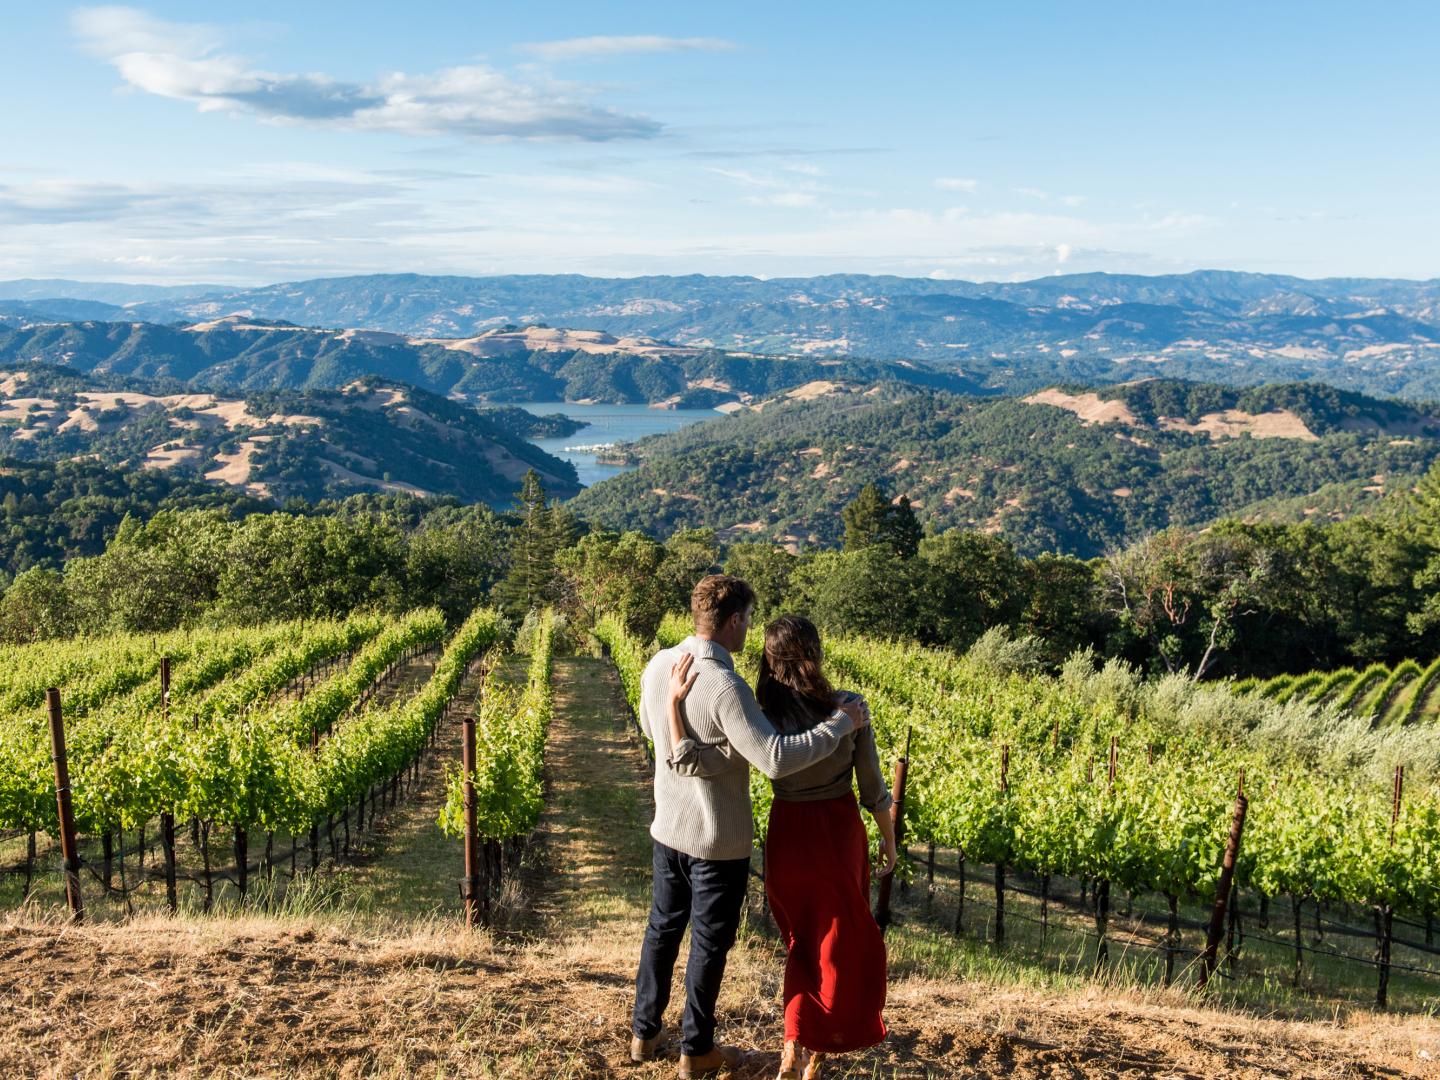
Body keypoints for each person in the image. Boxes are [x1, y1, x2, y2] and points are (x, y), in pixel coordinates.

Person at [630, 575, 869, 1080]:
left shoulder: (657, 666)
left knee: (662, 929)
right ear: (734, 621)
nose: (750, 633)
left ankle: (644, 1031)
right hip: (716, 838)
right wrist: (840, 725)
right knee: (709, 945)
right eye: (748, 621)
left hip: (667, 825)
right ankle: (695, 1050)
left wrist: (710, 752)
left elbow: (658, 737)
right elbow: (776, 760)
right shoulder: (726, 685)